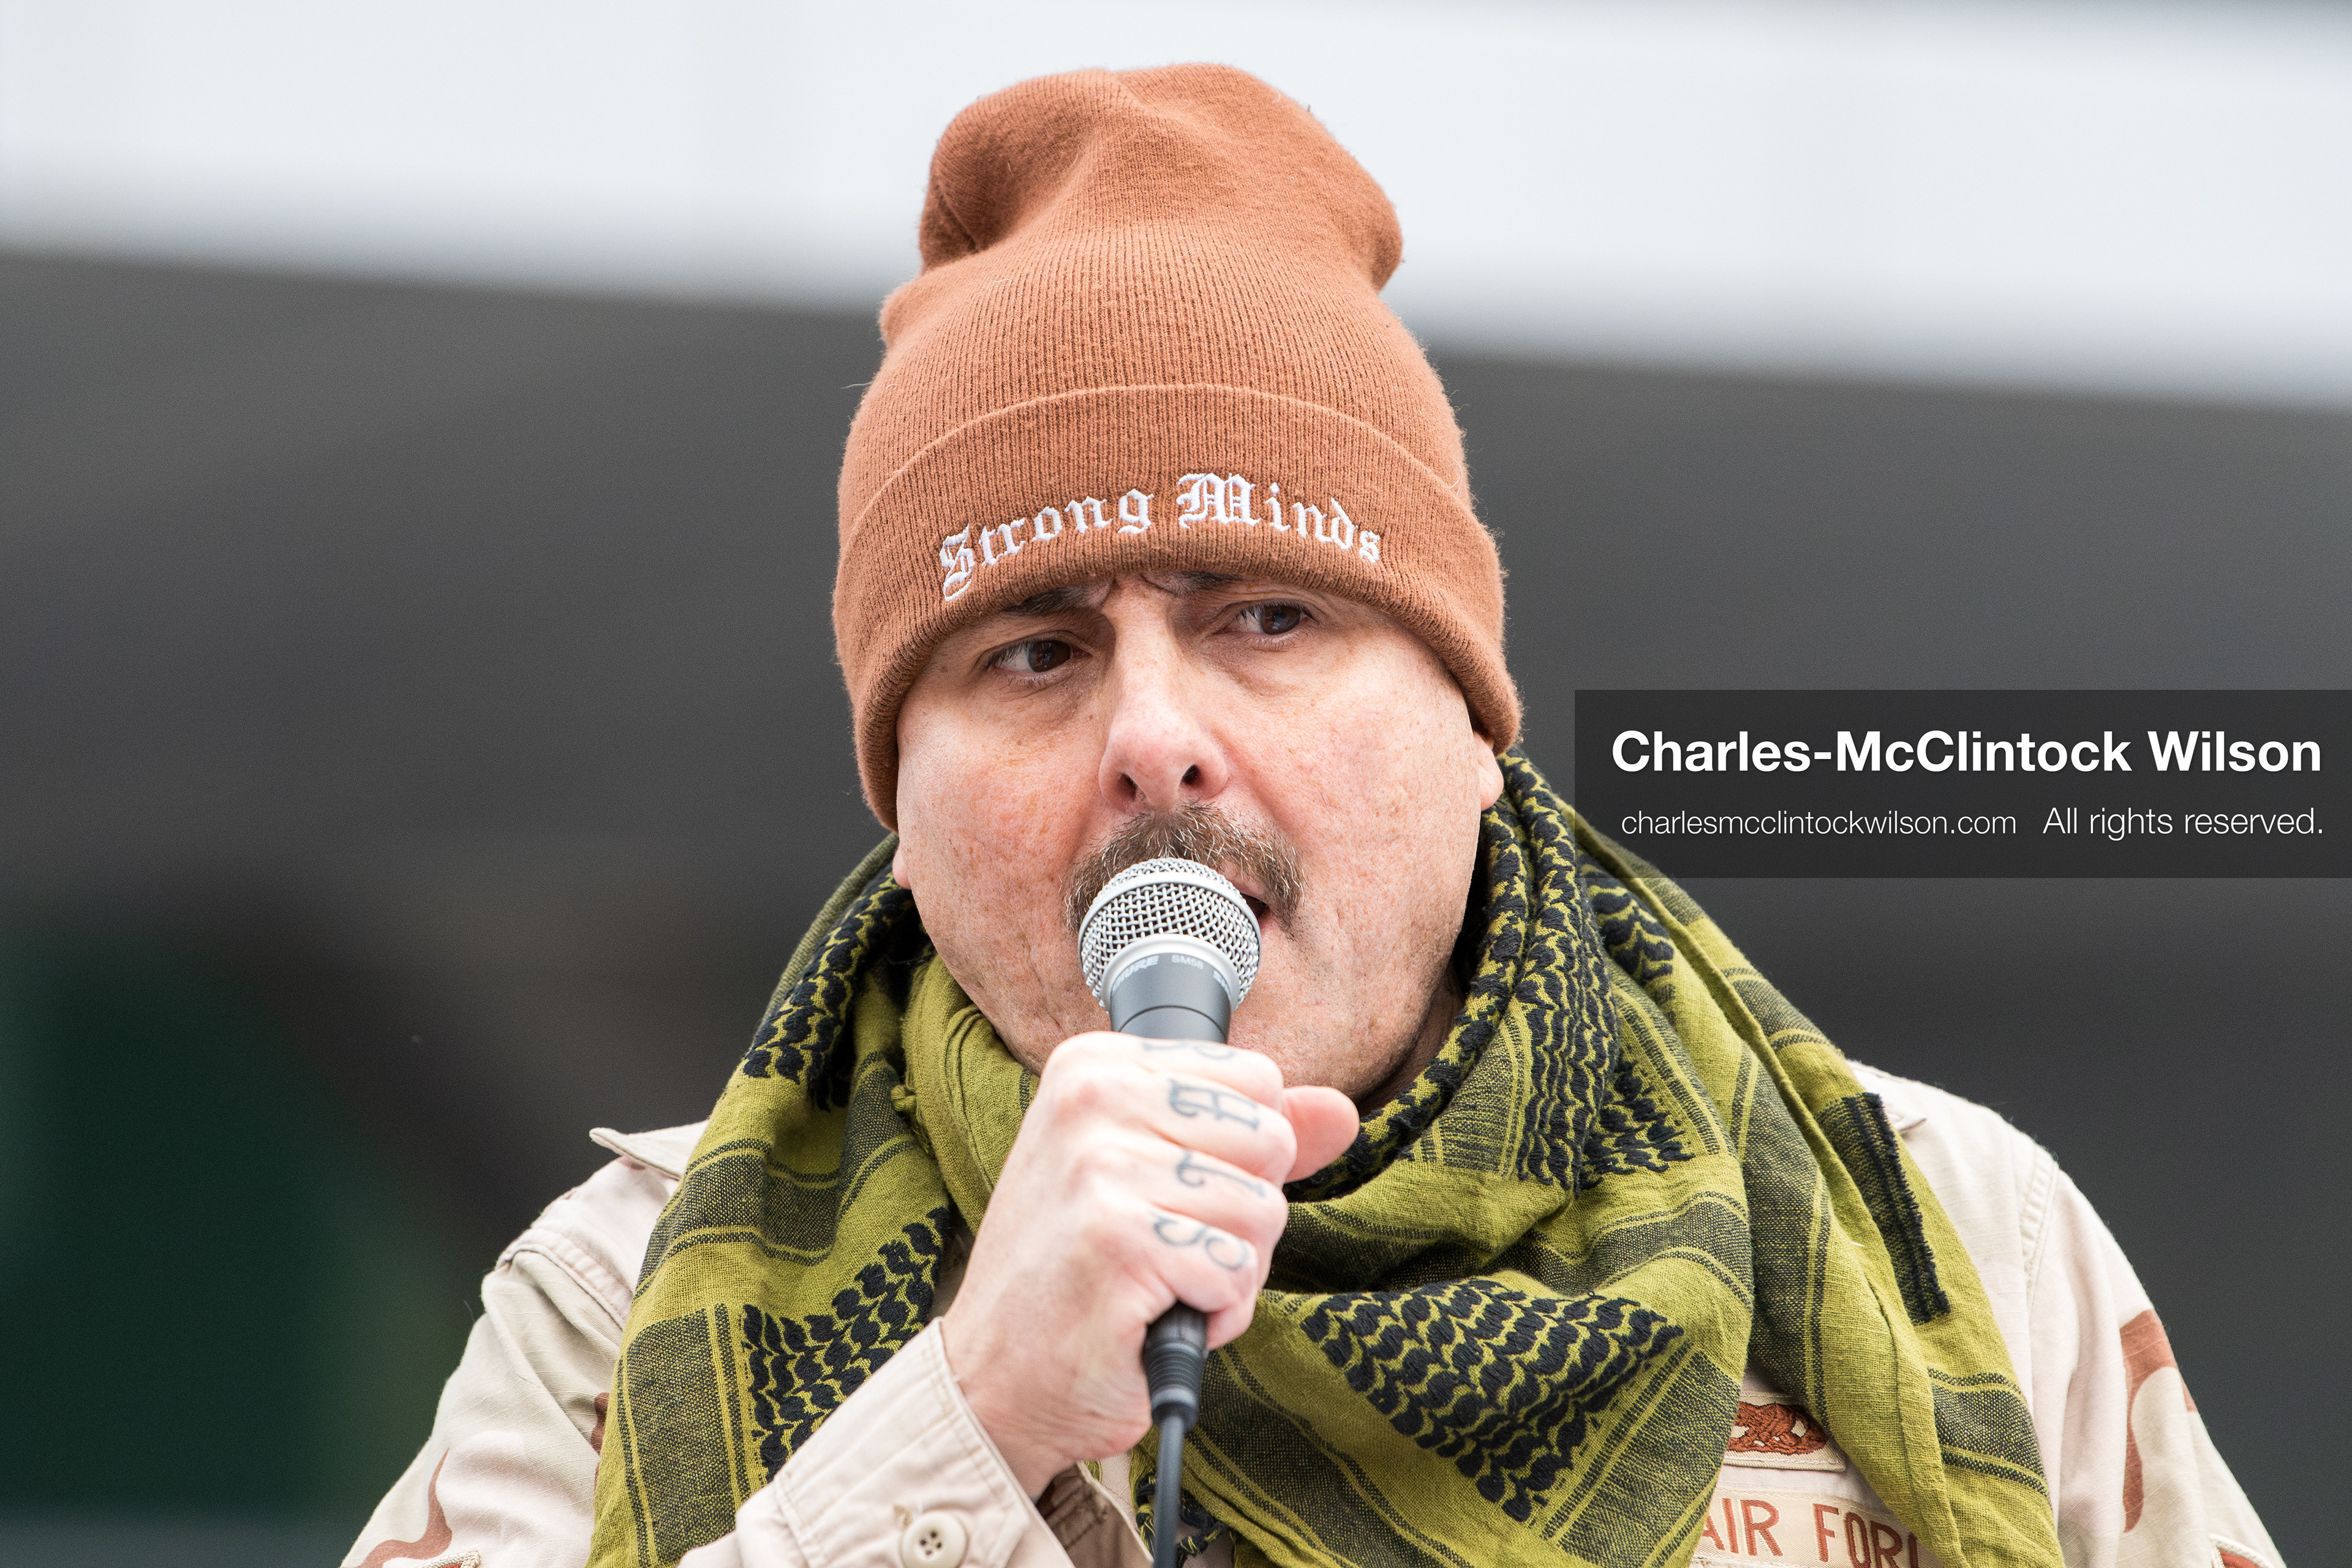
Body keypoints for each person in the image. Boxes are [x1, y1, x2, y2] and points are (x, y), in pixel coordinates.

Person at [345, 65, 2280, 1568]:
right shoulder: (620, 1301)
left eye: (1266, 617)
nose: (1155, 738)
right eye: (1029, 655)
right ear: (900, 802)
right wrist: (970, 1419)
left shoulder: (1942, 1232)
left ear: (1469, 719)